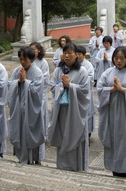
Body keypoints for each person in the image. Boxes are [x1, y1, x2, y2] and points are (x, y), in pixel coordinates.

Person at [97, 46, 126, 179]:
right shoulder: (107, 73)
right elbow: (100, 89)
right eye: (116, 58)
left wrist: (123, 90)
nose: (119, 61)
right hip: (112, 114)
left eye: (122, 58)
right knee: (114, 142)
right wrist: (112, 89)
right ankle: (115, 172)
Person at [48, 43, 91, 171]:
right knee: (62, 136)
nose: (67, 56)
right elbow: (52, 86)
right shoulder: (58, 70)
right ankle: (62, 165)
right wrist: (61, 86)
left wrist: (70, 86)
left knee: (75, 135)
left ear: (76, 55)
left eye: (70, 53)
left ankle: (76, 167)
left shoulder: (82, 71)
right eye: (64, 53)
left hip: (75, 112)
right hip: (62, 110)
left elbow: (85, 92)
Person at [8, 47, 45, 164]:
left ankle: (33, 158)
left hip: (31, 110)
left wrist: (25, 81)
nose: (22, 62)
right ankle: (21, 157)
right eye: (21, 59)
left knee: (30, 132)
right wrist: (18, 82)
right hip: (19, 109)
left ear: (31, 59)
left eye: (25, 59)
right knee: (19, 131)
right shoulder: (16, 71)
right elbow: (10, 85)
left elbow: (37, 91)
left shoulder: (38, 73)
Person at [30, 41, 50, 146]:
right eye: (31, 49)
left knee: (41, 113)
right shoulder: (29, 61)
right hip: (29, 93)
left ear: (39, 50)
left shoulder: (43, 63)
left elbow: (45, 78)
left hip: (40, 93)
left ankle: (43, 134)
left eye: (34, 49)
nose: (33, 52)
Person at [76, 45, 95, 138]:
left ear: (84, 55)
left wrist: (81, 82)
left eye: (80, 54)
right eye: (77, 54)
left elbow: (91, 78)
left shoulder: (88, 65)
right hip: (76, 92)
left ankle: (88, 131)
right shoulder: (74, 64)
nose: (78, 56)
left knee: (87, 112)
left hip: (85, 92)